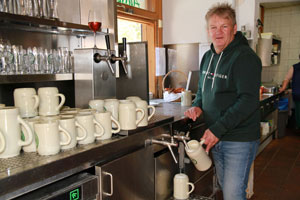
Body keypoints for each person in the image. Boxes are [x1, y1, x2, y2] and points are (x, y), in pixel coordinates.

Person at [184, 3, 262, 200]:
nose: (218, 32)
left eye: (224, 27)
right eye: (213, 27)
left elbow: (248, 100)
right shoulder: (207, 57)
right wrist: (197, 105)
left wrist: (217, 129)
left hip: (238, 139)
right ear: (208, 30)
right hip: (216, 137)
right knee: (225, 190)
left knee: (234, 195)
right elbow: (202, 89)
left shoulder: (245, 58)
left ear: (234, 29)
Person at [279, 54, 300, 129]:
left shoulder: (294, 67)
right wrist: (283, 88)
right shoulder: (294, 67)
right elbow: (287, 79)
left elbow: (287, 79)